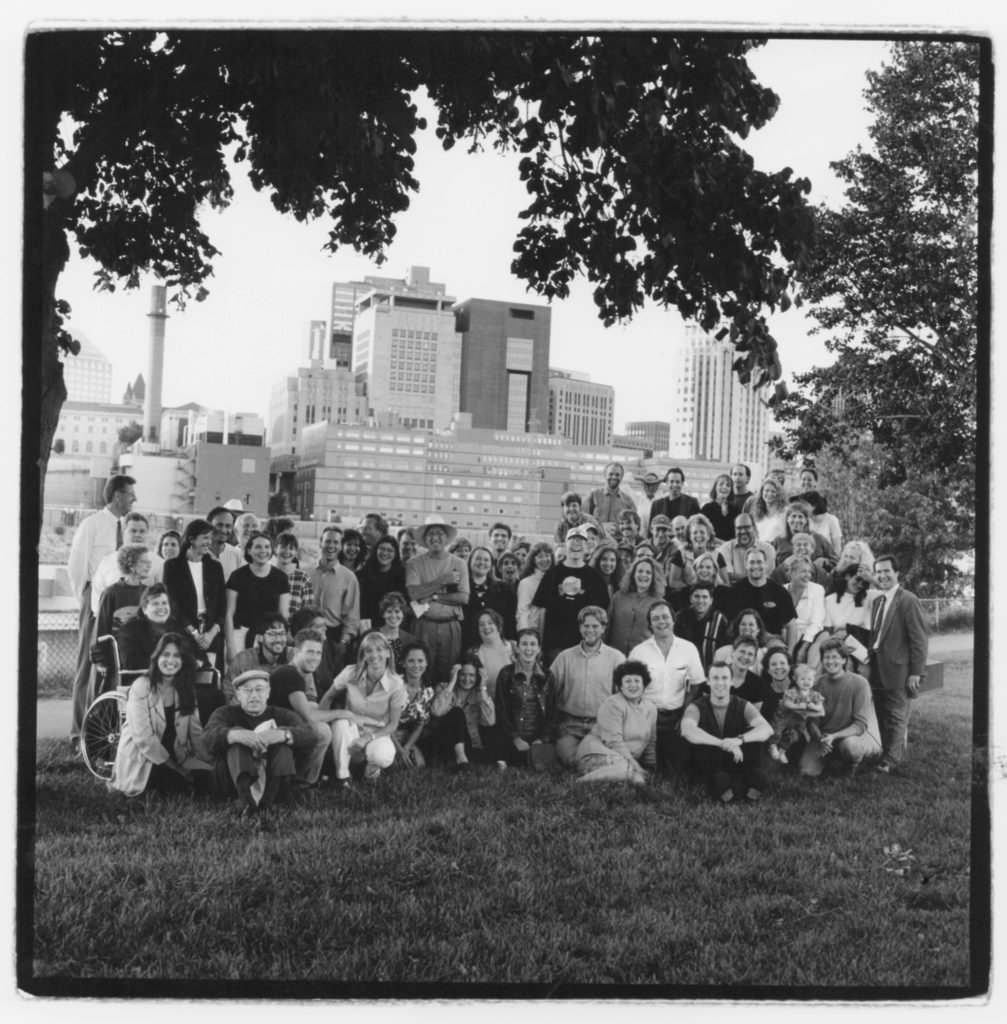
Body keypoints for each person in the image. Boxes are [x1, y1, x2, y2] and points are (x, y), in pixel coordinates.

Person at [67, 473, 137, 746]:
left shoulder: (127, 526)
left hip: (119, 602)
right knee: (87, 666)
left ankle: (102, 731)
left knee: (113, 665)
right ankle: (78, 736)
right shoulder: (92, 524)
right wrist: (87, 603)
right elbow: (77, 567)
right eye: (131, 494)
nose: (135, 499)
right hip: (94, 599)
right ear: (118, 495)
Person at [203, 667, 319, 826]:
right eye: (247, 690)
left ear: (268, 693)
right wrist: (236, 735)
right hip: (231, 785)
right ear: (237, 695)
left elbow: (310, 736)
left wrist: (283, 735)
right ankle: (246, 802)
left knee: (282, 741)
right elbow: (207, 737)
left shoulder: (283, 714)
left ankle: (267, 803)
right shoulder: (224, 713)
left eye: (259, 689)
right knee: (235, 737)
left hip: (276, 785)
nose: (254, 695)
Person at [109, 633, 213, 798]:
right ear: (157, 658)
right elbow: (145, 739)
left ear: (184, 661)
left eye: (177, 656)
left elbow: (195, 733)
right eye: (165, 654)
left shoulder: (186, 689)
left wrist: (209, 762)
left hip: (176, 758)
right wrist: (179, 769)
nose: (170, 661)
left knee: (211, 779)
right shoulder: (141, 687)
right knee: (181, 786)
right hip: (145, 759)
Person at [628, 600, 705, 776]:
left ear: (673, 620)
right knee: (645, 768)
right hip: (645, 718)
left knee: (677, 769)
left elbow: (696, 683)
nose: (661, 621)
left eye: (665, 616)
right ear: (650, 624)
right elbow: (628, 687)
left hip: (674, 718)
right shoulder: (639, 652)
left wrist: (685, 713)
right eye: (656, 618)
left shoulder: (688, 649)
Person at [320, 632, 407, 786]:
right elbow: (328, 697)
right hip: (350, 729)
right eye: (369, 651)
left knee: (383, 756)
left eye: (379, 650)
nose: (374, 655)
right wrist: (322, 727)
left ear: (388, 653)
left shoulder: (396, 684)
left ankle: (370, 769)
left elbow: (393, 724)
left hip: (376, 733)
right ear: (364, 655)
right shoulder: (350, 672)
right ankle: (343, 777)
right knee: (341, 723)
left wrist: (367, 738)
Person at [868, 554, 929, 774]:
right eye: (879, 572)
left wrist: (916, 672)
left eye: (887, 571)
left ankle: (890, 761)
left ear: (896, 573)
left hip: (899, 670)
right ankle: (888, 753)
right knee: (883, 715)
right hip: (878, 669)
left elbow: (919, 639)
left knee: (896, 716)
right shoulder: (878, 601)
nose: (883, 575)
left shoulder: (907, 600)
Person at [680, 660, 772, 802]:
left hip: (737, 758)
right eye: (715, 678)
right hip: (711, 758)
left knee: (756, 740)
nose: (720, 682)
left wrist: (738, 740)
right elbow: (687, 730)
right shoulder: (697, 706)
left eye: (724, 678)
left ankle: (751, 789)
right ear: (708, 682)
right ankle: (724, 788)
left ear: (731, 682)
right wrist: (722, 743)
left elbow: (766, 729)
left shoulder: (742, 704)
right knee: (715, 773)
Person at [265, 628, 343, 788]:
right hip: (273, 734)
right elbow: (308, 717)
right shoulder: (290, 673)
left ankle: (307, 778)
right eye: (310, 652)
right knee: (322, 731)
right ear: (296, 652)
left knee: (321, 726)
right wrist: (341, 713)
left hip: (286, 730)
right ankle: (302, 782)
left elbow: (310, 708)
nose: (315, 658)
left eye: (318, 653)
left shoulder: (299, 675)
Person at [548, 606, 626, 765]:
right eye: (586, 626)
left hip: (601, 725)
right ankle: (594, 763)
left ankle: (596, 760)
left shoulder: (616, 658)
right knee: (570, 759)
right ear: (580, 628)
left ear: (604, 628)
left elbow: (623, 698)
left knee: (596, 755)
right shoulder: (564, 657)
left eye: (595, 626)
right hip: (570, 726)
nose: (590, 630)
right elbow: (549, 692)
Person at [796, 637, 882, 777]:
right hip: (823, 738)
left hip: (847, 737)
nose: (830, 661)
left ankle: (850, 767)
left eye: (835, 657)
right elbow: (812, 721)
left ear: (844, 660)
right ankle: (832, 759)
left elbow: (860, 724)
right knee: (806, 771)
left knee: (852, 750)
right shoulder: (817, 683)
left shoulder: (860, 684)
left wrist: (834, 736)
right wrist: (820, 738)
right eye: (826, 657)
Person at [530, 524, 609, 664]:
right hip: (554, 646)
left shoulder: (595, 578)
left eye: (581, 541)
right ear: (565, 544)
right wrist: (538, 643)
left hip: (585, 646)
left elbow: (603, 616)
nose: (576, 544)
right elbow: (540, 612)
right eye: (572, 540)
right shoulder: (552, 574)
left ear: (587, 547)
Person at [405, 515, 470, 681]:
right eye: (431, 533)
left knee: (447, 675)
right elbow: (414, 594)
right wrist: (442, 581)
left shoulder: (459, 563)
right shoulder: (414, 563)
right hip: (423, 625)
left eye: (440, 533)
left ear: (447, 538)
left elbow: (463, 597)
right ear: (425, 539)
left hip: (450, 626)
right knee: (420, 674)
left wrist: (433, 595)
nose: (435, 537)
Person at [574, 661, 657, 785]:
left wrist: (651, 766)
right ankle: (581, 782)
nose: (632, 685)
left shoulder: (651, 708)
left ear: (644, 685)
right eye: (628, 681)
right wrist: (635, 766)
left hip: (623, 758)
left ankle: (616, 778)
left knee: (639, 781)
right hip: (597, 752)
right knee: (626, 771)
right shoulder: (612, 704)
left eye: (637, 681)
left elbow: (651, 740)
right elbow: (613, 741)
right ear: (620, 686)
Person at [163, 518, 227, 666]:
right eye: (205, 538)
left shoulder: (215, 567)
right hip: (182, 631)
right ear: (191, 538)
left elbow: (222, 604)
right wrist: (193, 632)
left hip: (211, 632)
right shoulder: (172, 566)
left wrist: (211, 634)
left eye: (211, 538)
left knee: (210, 678)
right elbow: (171, 602)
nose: (209, 542)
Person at [493, 629, 556, 767]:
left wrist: (542, 739)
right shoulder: (506, 673)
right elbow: (500, 710)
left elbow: (552, 712)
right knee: (506, 755)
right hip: (511, 737)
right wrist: (515, 738)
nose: (529, 648)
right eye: (524, 644)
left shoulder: (548, 676)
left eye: (533, 644)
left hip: (537, 738)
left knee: (541, 765)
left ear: (539, 649)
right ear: (518, 647)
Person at [224, 531, 291, 660]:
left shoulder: (281, 577)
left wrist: (278, 641)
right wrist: (230, 647)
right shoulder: (237, 576)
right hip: (239, 635)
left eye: (267, 547)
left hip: (269, 636)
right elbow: (228, 614)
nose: (263, 551)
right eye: (258, 547)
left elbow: (283, 615)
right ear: (249, 550)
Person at [425, 655, 497, 769]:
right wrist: (452, 681)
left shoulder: (479, 694)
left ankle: (461, 760)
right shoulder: (444, 687)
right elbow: (436, 712)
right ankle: (461, 759)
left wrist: (483, 686)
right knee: (457, 712)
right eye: (463, 674)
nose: (467, 679)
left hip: (469, 745)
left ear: (477, 676)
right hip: (444, 743)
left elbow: (490, 722)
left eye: (471, 675)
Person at [308, 525, 361, 676]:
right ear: (320, 543)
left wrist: (343, 642)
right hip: (306, 634)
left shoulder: (348, 577)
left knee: (328, 680)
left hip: (332, 638)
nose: (331, 546)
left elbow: (352, 615)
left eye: (336, 543)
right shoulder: (306, 572)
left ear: (340, 546)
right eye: (328, 541)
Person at [90, 512, 164, 614]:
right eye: (133, 531)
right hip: (113, 623)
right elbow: (97, 595)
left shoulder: (158, 563)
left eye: (142, 531)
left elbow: (163, 597)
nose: (138, 535)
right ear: (123, 532)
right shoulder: (108, 561)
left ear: (147, 534)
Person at [114, 583, 191, 678]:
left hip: (179, 682)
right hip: (144, 681)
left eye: (164, 603)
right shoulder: (129, 630)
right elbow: (131, 663)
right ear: (144, 609)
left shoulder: (176, 629)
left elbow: (197, 655)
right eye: (155, 604)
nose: (161, 608)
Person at [726, 548, 797, 643]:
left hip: (771, 642)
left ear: (766, 564)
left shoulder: (779, 592)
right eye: (752, 562)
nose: (755, 566)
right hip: (743, 640)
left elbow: (791, 626)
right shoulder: (736, 590)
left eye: (759, 562)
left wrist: (789, 654)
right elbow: (730, 626)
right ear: (746, 565)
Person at [223, 611, 293, 702]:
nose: (278, 639)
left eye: (282, 634)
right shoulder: (242, 660)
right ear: (260, 637)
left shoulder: (294, 656)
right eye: (272, 634)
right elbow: (229, 695)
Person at [93, 545, 152, 653]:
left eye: (149, 562)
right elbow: (101, 628)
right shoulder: (111, 593)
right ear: (130, 565)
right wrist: (100, 659)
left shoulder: (149, 592)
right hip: (116, 655)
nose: (149, 566)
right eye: (144, 562)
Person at [606, 554, 666, 655]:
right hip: (615, 654)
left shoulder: (660, 603)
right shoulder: (619, 596)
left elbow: (662, 635)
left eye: (648, 572)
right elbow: (607, 626)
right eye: (640, 571)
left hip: (643, 657)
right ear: (633, 574)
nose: (643, 575)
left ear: (654, 577)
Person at [823, 562, 874, 678]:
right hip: (839, 641)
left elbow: (890, 594)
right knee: (846, 665)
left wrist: (871, 579)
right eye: (857, 580)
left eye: (863, 582)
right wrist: (840, 646)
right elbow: (827, 631)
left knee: (864, 670)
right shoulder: (830, 600)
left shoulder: (868, 597)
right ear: (847, 576)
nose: (860, 585)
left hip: (863, 642)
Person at [768, 664, 825, 765]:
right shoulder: (792, 692)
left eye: (809, 679)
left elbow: (820, 708)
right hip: (784, 717)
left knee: (791, 736)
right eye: (802, 679)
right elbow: (786, 703)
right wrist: (798, 706)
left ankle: (782, 751)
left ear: (814, 681)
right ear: (796, 680)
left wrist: (813, 706)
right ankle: (772, 745)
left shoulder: (815, 695)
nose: (806, 682)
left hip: (798, 721)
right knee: (777, 732)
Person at [462, 546, 516, 648]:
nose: (482, 562)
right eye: (478, 558)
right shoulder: (461, 587)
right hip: (467, 643)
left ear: (491, 565)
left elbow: (510, 618)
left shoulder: (503, 588)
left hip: (497, 644)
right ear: (470, 561)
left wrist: (511, 639)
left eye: (486, 560)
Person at [394, 641, 437, 767]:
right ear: (403, 663)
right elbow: (384, 720)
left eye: (420, 660)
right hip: (386, 733)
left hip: (405, 736)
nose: (416, 665)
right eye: (411, 661)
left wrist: (406, 748)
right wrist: (398, 750)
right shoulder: (394, 685)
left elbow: (420, 723)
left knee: (419, 765)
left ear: (426, 663)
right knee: (392, 764)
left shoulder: (427, 692)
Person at [673, 581, 729, 672]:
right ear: (691, 598)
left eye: (705, 597)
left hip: (710, 671)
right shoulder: (680, 617)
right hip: (686, 671)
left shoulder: (720, 620)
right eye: (697, 596)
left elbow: (723, 651)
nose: (700, 601)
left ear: (711, 600)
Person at [356, 533, 407, 631]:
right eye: (382, 549)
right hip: (368, 628)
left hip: (394, 627)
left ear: (395, 554)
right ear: (375, 550)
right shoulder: (362, 575)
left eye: (390, 550)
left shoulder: (402, 575)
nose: (385, 553)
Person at [784, 555, 827, 667]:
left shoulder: (817, 590)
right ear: (791, 572)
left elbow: (816, 623)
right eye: (803, 571)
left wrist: (804, 647)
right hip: (786, 636)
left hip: (809, 637)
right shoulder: (780, 590)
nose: (808, 575)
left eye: (809, 572)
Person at [772, 501, 836, 571]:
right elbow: (770, 565)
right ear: (787, 519)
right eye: (793, 516)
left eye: (800, 517)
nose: (796, 520)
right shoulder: (778, 540)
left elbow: (836, 561)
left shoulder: (818, 539)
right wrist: (785, 564)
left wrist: (825, 562)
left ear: (806, 520)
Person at [716, 513, 776, 585]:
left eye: (747, 527)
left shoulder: (768, 549)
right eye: (739, 528)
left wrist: (736, 576)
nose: (743, 531)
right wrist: (755, 575)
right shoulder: (726, 548)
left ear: (754, 528)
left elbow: (766, 577)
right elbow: (726, 576)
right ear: (735, 530)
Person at [714, 608, 770, 672]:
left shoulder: (764, 655)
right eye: (743, 624)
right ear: (738, 627)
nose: (746, 627)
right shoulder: (721, 653)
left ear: (758, 629)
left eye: (751, 624)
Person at [374, 591, 417, 673]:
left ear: (403, 614)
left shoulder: (411, 641)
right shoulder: (372, 636)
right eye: (389, 611)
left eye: (397, 611)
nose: (393, 616)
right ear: (383, 614)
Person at [273, 532, 315, 616]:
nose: (287, 551)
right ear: (275, 549)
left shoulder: (302, 578)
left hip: (294, 628)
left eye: (291, 548)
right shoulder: (267, 574)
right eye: (283, 547)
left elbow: (307, 611)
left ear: (296, 552)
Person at [516, 542, 554, 635]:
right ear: (533, 560)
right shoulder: (526, 583)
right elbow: (522, 612)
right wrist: (524, 633)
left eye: (547, 556)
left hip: (552, 631)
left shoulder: (556, 580)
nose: (544, 559)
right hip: (533, 631)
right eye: (540, 556)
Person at [584, 462, 636, 528]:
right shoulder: (593, 495)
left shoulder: (628, 500)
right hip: (597, 537)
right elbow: (584, 520)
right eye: (611, 474)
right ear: (605, 475)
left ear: (622, 477)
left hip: (618, 538)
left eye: (617, 475)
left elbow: (633, 524)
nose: (614, 477)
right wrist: (602, 526)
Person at [743, 477, 788, 543]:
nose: (769, 494)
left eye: (773, 491)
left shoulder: (785, 512)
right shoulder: (756, 512)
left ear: (779, 494)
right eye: (767, 490)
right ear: (762, 493)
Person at [205, 506, 244, 581]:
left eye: (228, 526)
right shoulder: (197, 553)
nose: (223, 530)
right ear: (208, 525)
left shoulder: (236, 555)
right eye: (219, 525)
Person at [701, 473, 736, 543]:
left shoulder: (736, 510)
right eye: (721, 484)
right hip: (712, 548)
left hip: (731, 549)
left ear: (731, 490)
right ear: (715, 488)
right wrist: (723, 544)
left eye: (728, 485)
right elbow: (704, 532)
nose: (724, 487)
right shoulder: (707, 509)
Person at [630, 471, 662, 536]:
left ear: (657, 487)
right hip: (640, 538)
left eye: (654, 485)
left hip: (657, 537)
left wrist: (661, 480)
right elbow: (624, 481)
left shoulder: (661, 500)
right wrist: (641, 479)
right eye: (648, 485)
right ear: (643, 486)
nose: (651, 488)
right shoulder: (637, 499)